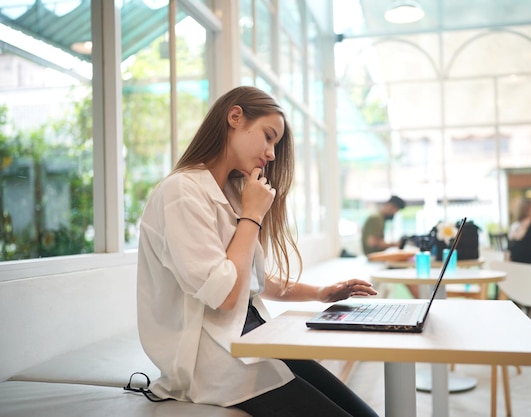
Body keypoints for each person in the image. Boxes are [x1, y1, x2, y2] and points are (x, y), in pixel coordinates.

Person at [136, 86, 379, 417]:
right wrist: (252, 215)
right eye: (268, 137)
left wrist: (322, 293)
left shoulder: (234, 194)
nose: (272, 154)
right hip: (213, 362)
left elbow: (252, 279)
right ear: (235, 117)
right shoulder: (182, 192)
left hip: (251, 338)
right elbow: (225, 295)